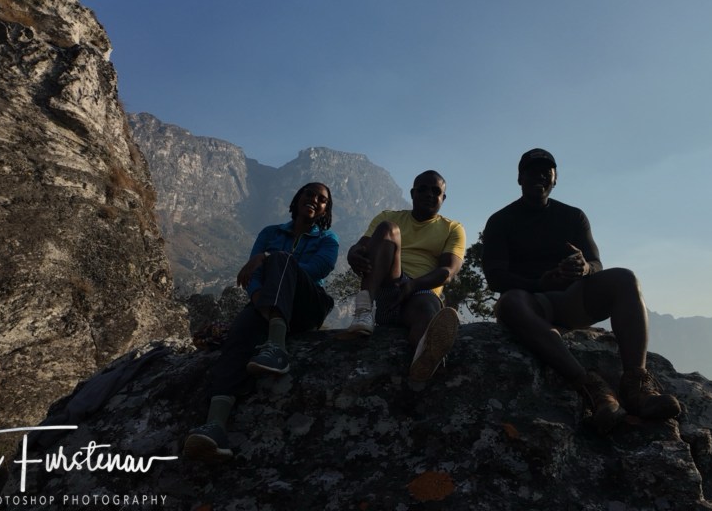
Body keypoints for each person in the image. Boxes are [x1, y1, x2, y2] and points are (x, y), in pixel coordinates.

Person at [482, 149, 680, 432]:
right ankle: (593, 389)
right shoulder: (501, 221)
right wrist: (540, 284)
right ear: (519, 178)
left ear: (555, 179)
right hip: (531, 302)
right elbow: (496, 277)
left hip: (573, 299)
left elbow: (596, 262)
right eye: (531, 170)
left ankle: (636, 385)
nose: (539, 176)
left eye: (546, 171)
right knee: (510, 302)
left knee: (625, 278)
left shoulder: (573, 216)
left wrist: (585, 269)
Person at [183, 182, 338, 462]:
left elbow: (318, 269)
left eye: (322, 199)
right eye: (309, 194)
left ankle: (276, 347)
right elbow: (251, 277)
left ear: (326, 210)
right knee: (239, 338)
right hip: (266, 302)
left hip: (308, 305)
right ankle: (216, 426)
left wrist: (268, 258)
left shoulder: (328, 240)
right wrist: (258, 300)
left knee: (280, 260)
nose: (314, 200)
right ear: (297, 198)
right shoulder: (270, 233)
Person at [343, 170, 465, 382]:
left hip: (421, 292)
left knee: (428, 313)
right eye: (423, 189)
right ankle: (363, 311)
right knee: (388, 229)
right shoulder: (388, 216)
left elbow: (448, 271)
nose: (429, 194)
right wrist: (353, 253)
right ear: (412, 193)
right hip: (389, 287)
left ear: (443, 198)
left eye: (436, 191)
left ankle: (424, 359)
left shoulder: (452, 228)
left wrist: (413, 285)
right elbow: (362, 247)